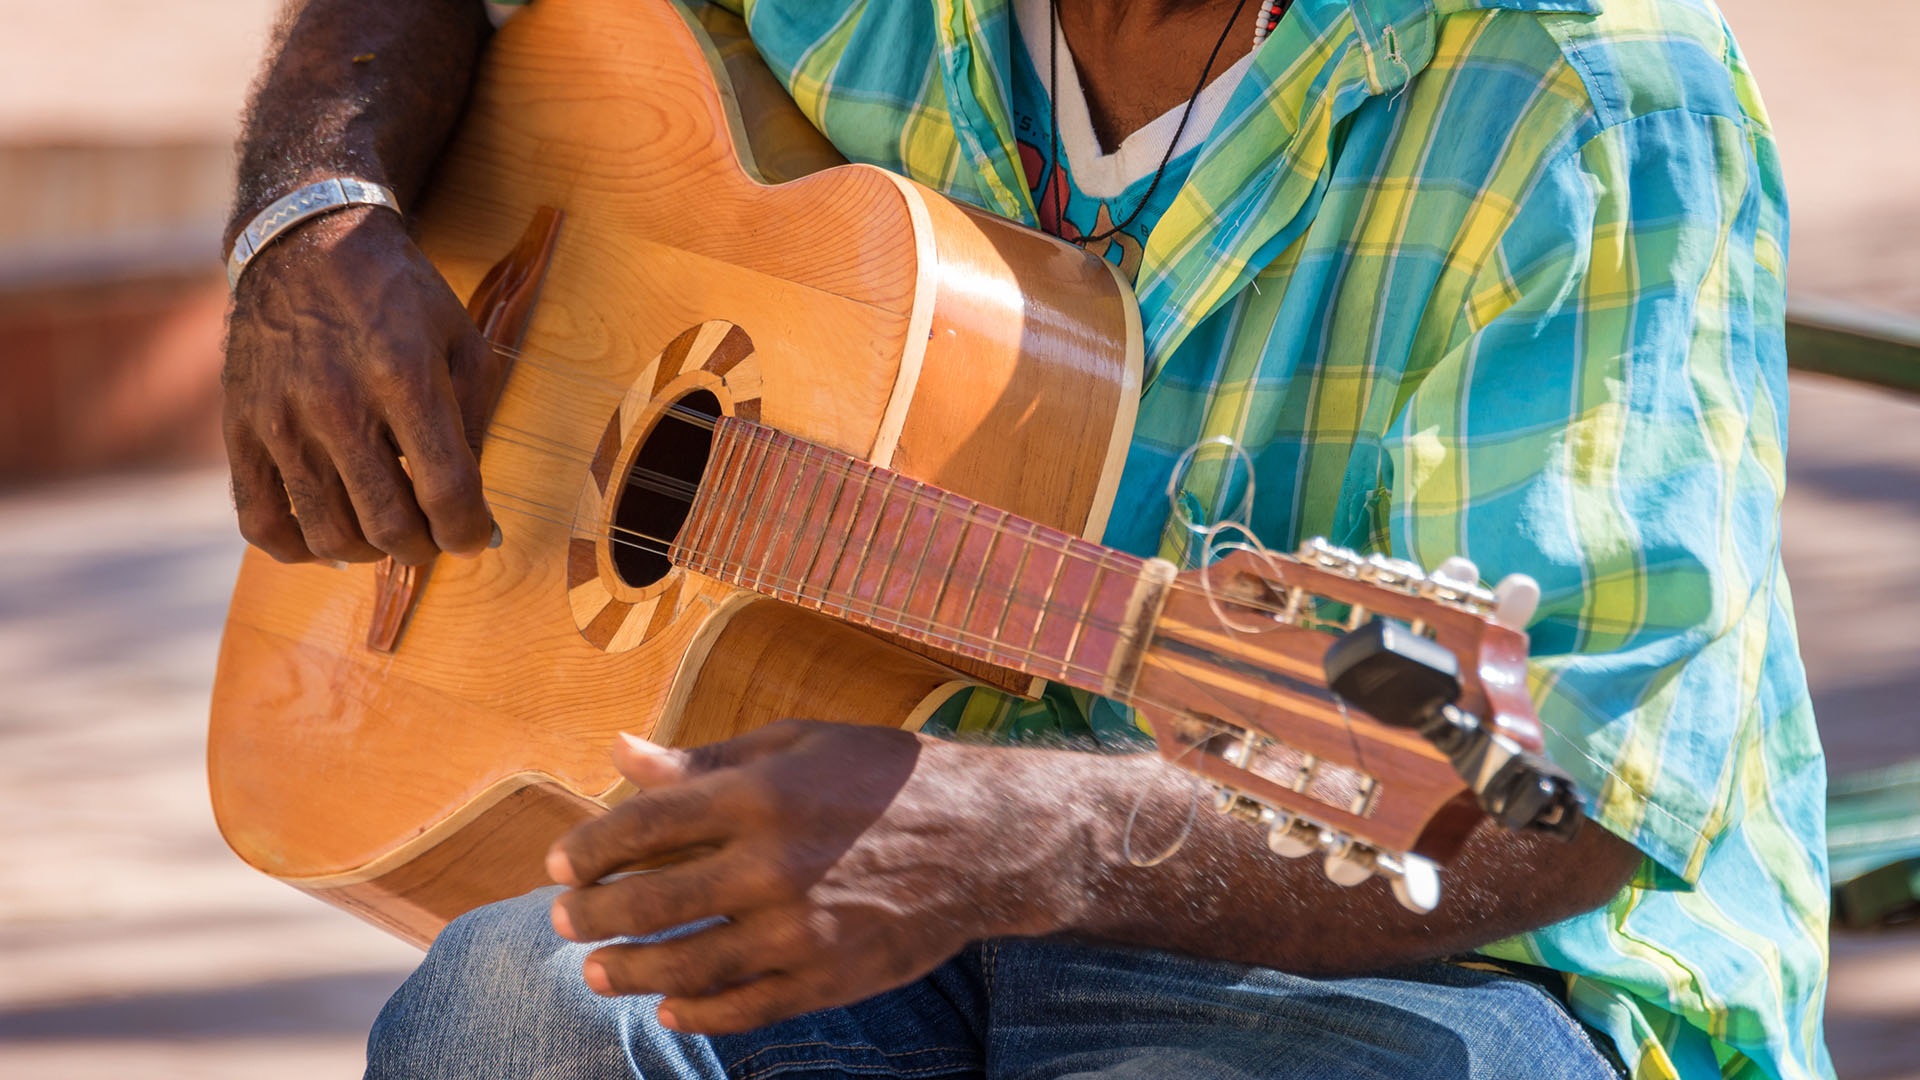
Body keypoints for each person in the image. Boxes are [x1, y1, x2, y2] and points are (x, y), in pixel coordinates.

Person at [218, 0, 1831, 1077]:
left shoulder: (1584, 95)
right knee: (514, 1018)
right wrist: (313, 216)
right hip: (846, 893)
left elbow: (1561, 797)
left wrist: (1013, 836)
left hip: (1423, 969)